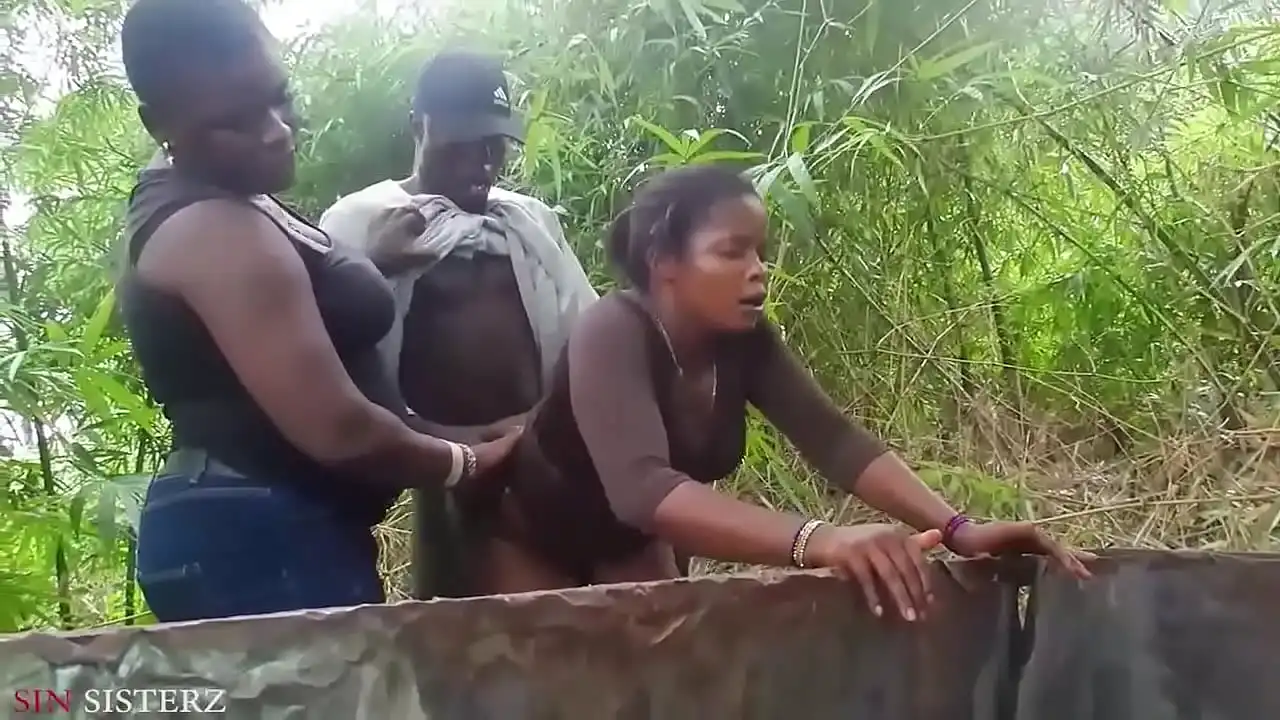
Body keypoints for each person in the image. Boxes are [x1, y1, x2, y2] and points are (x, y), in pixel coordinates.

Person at [479, 164, 1094, 618]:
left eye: (761, 252)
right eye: (731, 251)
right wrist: (821, 541)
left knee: (663, 682)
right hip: (532, 534)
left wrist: (958, 528)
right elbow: (646, 491)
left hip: (628, 543)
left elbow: (834, 441)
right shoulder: (612, 330)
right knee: (550, 684)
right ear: (664, 260)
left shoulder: (744, 342)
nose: (758, 270)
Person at [116, 0, 517, 623]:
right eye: (235, 120)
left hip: (277, 524)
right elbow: (337, 428)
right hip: (256, 533)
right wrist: (462, 463)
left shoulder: (229, 194)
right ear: (157, 122)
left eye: (278, 98)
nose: (275, 129)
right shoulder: (212, 227)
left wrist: (458, 434)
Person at [318, 50, 596, 597]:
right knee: (458, 610)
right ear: (419, 127)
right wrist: (375, 265)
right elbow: (329, 346)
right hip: (440, 456)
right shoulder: (362, 222)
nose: (482, 165)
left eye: (494, 148)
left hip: (538, 445)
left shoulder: (527, 221)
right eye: (463, 146)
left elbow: (583, 330)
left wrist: (543, 421)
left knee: (568, 598)